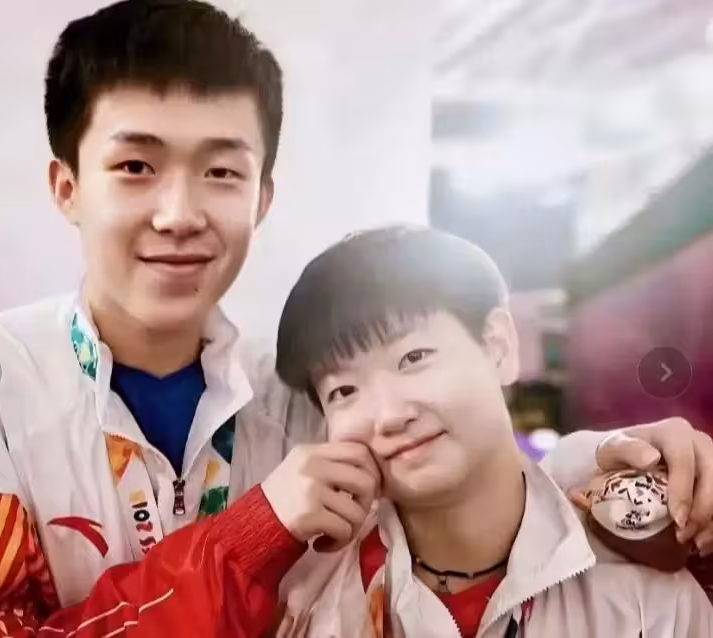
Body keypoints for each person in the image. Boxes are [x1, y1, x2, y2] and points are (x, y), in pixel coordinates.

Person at [0, 1, 713, 636]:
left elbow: (472, 494)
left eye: (221, 173)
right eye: (135, 166)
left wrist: (625, 473)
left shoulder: (306, 393)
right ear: (67, 187)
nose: (179, 213)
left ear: (262, 198)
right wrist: (254, 532)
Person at [270, 226, 713, 637]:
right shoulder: (308, 603)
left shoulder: (646, 596)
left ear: (498, 347)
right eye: (344, 390)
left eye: (414, 357)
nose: (388, 416)